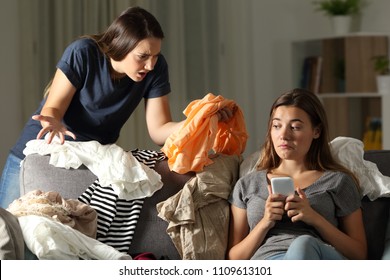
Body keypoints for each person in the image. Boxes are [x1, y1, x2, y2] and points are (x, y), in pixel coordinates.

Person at [0, 6, 231, 209]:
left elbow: (159, 131)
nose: (150, 65)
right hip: (36, 156)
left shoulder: (156, 68)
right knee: (10, 237)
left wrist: (198, 118)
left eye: (155, 56)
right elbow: (53, 109)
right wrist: (52, 120)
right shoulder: (83, 53)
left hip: (87, 164)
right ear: (121, 46)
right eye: (143, 56)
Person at [227, 88, 367, 260]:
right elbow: (234, 258)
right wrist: (265, 222)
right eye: (277, 126)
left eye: (295, 127)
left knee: (303, 244)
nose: (284, 135)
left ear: (316, 131)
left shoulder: (338, 181)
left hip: (319, 260)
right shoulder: (247, 184)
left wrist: (314, 218)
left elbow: (360, 254)